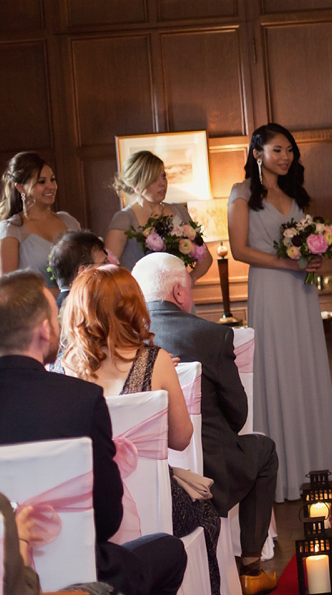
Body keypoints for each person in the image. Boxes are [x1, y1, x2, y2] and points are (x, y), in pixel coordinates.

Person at [0, 270, 187, 595]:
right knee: (169, 550)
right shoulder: (79, 401)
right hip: (83, 575)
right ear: (44, 330)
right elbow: (107, 519)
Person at [57, 265, 222, 595]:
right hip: (158, 504)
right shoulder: (154, 360)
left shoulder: (62, 368)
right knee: (207, 515)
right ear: (132, 307)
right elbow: (180, 438)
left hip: (87, 508)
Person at [131, 252, 280, 593]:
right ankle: (251, 568)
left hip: (147, 480)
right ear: (180, 292)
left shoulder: (123, 342)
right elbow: (238, 413)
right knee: (265, 450)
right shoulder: (210, 335)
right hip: (213, 475)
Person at [228, 123, 332, 501]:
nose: (286, 157)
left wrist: (313, 257)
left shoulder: (295, 194)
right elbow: (240, 250)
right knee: (278, 367)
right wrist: (289, 263)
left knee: (304, 366)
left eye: (290, 150)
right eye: (278, 150)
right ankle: (283, 473)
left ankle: (312, 467)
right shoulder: (241, 193)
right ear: (257, 153)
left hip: (302, 292)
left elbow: (303, 243)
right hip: (271, 288)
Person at [106, 151, 213, 280]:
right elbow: (108, 269)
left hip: (177, 295)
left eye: (163, 176)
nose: (162, 183)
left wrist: (190, 279)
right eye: (154, 179)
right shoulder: (124, 219)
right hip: (141, 296)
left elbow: (206, 257)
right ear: (136, 185)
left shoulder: (179, 211)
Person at [1, 152, 82, 289]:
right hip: (35, 308)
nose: (51, 186)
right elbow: (8, 289)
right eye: (42, 182)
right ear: (21, 187)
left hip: (75, 306)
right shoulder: (11, 229)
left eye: (53, 179)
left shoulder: (69, 221)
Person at [48, 229, 110, 307]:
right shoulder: (79, 310)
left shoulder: (60, 306)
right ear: (83, 271)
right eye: (104, 262)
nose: (109, 267)